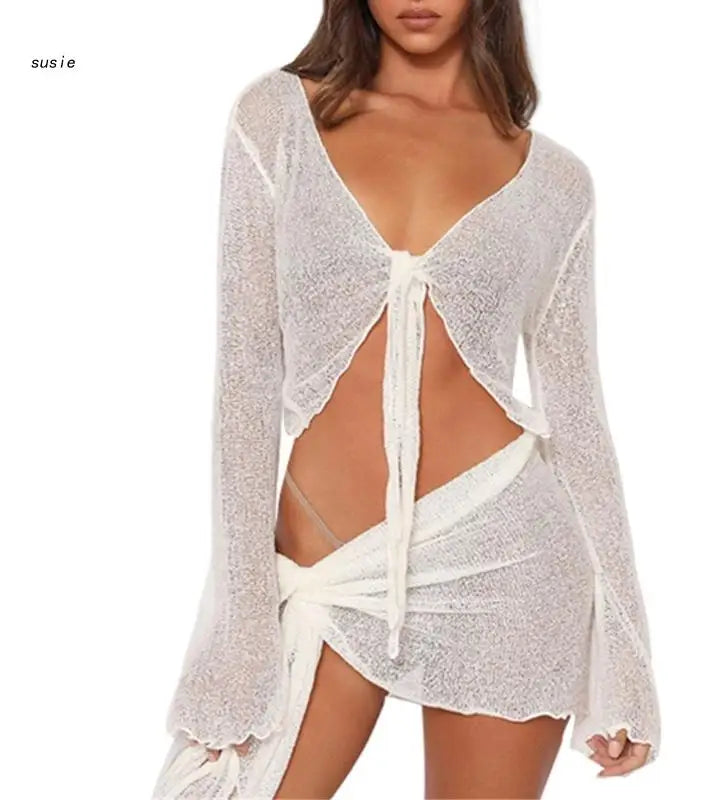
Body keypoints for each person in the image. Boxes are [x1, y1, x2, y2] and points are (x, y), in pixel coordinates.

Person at [153, 1, 661, 797]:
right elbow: (246, 372)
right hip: (327, 567)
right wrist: (243, 616)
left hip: (506, 558)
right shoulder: (279, 118)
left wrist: (628, 657)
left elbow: (579, 419)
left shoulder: (556, 182)